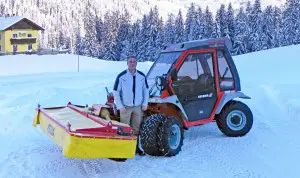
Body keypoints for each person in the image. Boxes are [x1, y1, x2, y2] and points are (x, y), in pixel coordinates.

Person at [113, 55, 149, 136]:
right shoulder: (121, 76)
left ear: (136, 63)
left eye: (134, 62)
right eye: (130, 61)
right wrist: (120, 106)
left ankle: (134, 146)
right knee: (124, 129)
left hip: (138, 107)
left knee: (136, 128)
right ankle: (124, 146)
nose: (132, 63)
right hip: (125, 107)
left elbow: (146, 90)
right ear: (127, 63)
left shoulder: (142, 76)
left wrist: (145, 103)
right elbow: (116, 91)